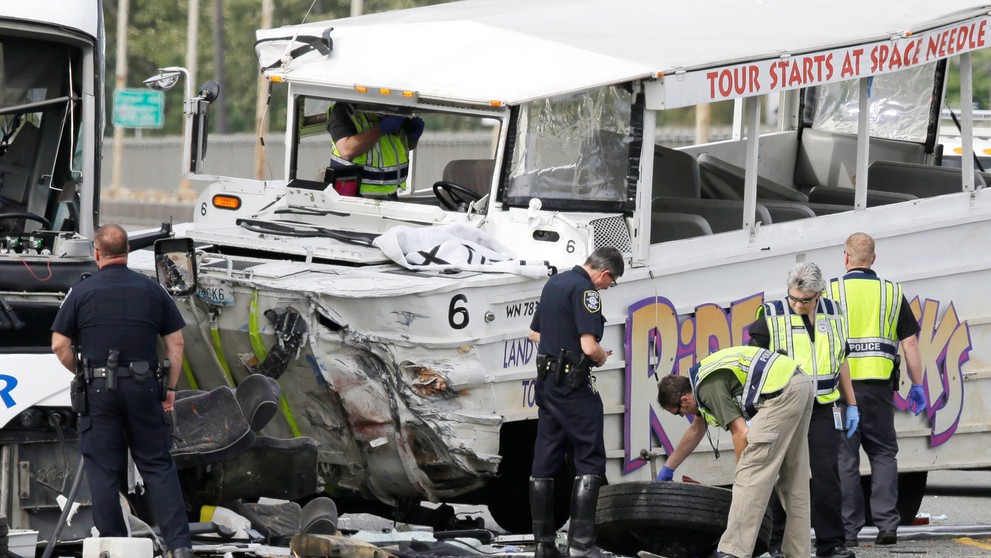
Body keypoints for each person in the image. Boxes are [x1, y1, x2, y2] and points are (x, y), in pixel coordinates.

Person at [51, 224, 192, 558]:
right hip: (145, 389)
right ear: (127, 251)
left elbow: (60, 345)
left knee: (102, 467)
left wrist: (84, 374)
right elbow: (176, 342)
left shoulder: (81, 293)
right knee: (157, 465)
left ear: (96, 254)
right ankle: (180, 547)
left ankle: (115, 545)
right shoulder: (153, 290)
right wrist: (169, 388)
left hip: (99, 391)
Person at [656, 346, 814, 558]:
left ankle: (733, 552)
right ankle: (798, 553)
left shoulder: (707, 387)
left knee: (750, 473)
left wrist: (742, 473)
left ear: (684, 400)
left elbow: (741, 433)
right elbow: (696, 430)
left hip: (781, 393)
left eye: (677, 413)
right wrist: (668, 468)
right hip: (800, 383)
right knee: (794, 480)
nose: (681, 416)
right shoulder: (703, 379)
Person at [747, 262, 858, 558]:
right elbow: (755, 363)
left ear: (818, 293)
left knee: (826, 476)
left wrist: (852, 404)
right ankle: (776, 544)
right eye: (793, 297)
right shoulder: (770, 315)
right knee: (777, 475)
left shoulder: (834, 312)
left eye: (805, 300)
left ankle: (831, 544)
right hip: (784, 406)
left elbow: (841, 358)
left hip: (823, 405)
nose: (798, 304)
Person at [829, 232, 928, 547]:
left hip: (840, 392)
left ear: (846, 258)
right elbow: (909, 343)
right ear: (873, 259)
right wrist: (917, 384)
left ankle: (849, 531)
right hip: (879, 390)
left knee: (845, 458)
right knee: (884, 454)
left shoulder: (830, 292)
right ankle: (887, 527)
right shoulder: (891, 292)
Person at [527, 246, 624, 558]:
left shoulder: (553, 283)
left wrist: (560, 345)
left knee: (545, 457)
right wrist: (600, 358)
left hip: (547, 384)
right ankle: (581, 546)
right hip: (573, 385)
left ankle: (543, 546)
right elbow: (588, 344)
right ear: (604, 272)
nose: (608, 287)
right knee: (590, 455)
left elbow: (534, 334)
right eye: (612, 281)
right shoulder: (586, 291)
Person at [326, 102, 424, 197]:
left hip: (390, 193)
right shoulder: (344, 110)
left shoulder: (392, 111)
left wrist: (412, 139)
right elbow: (346, 150)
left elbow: (396, 149)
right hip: (356, 195)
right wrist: (380, 130)